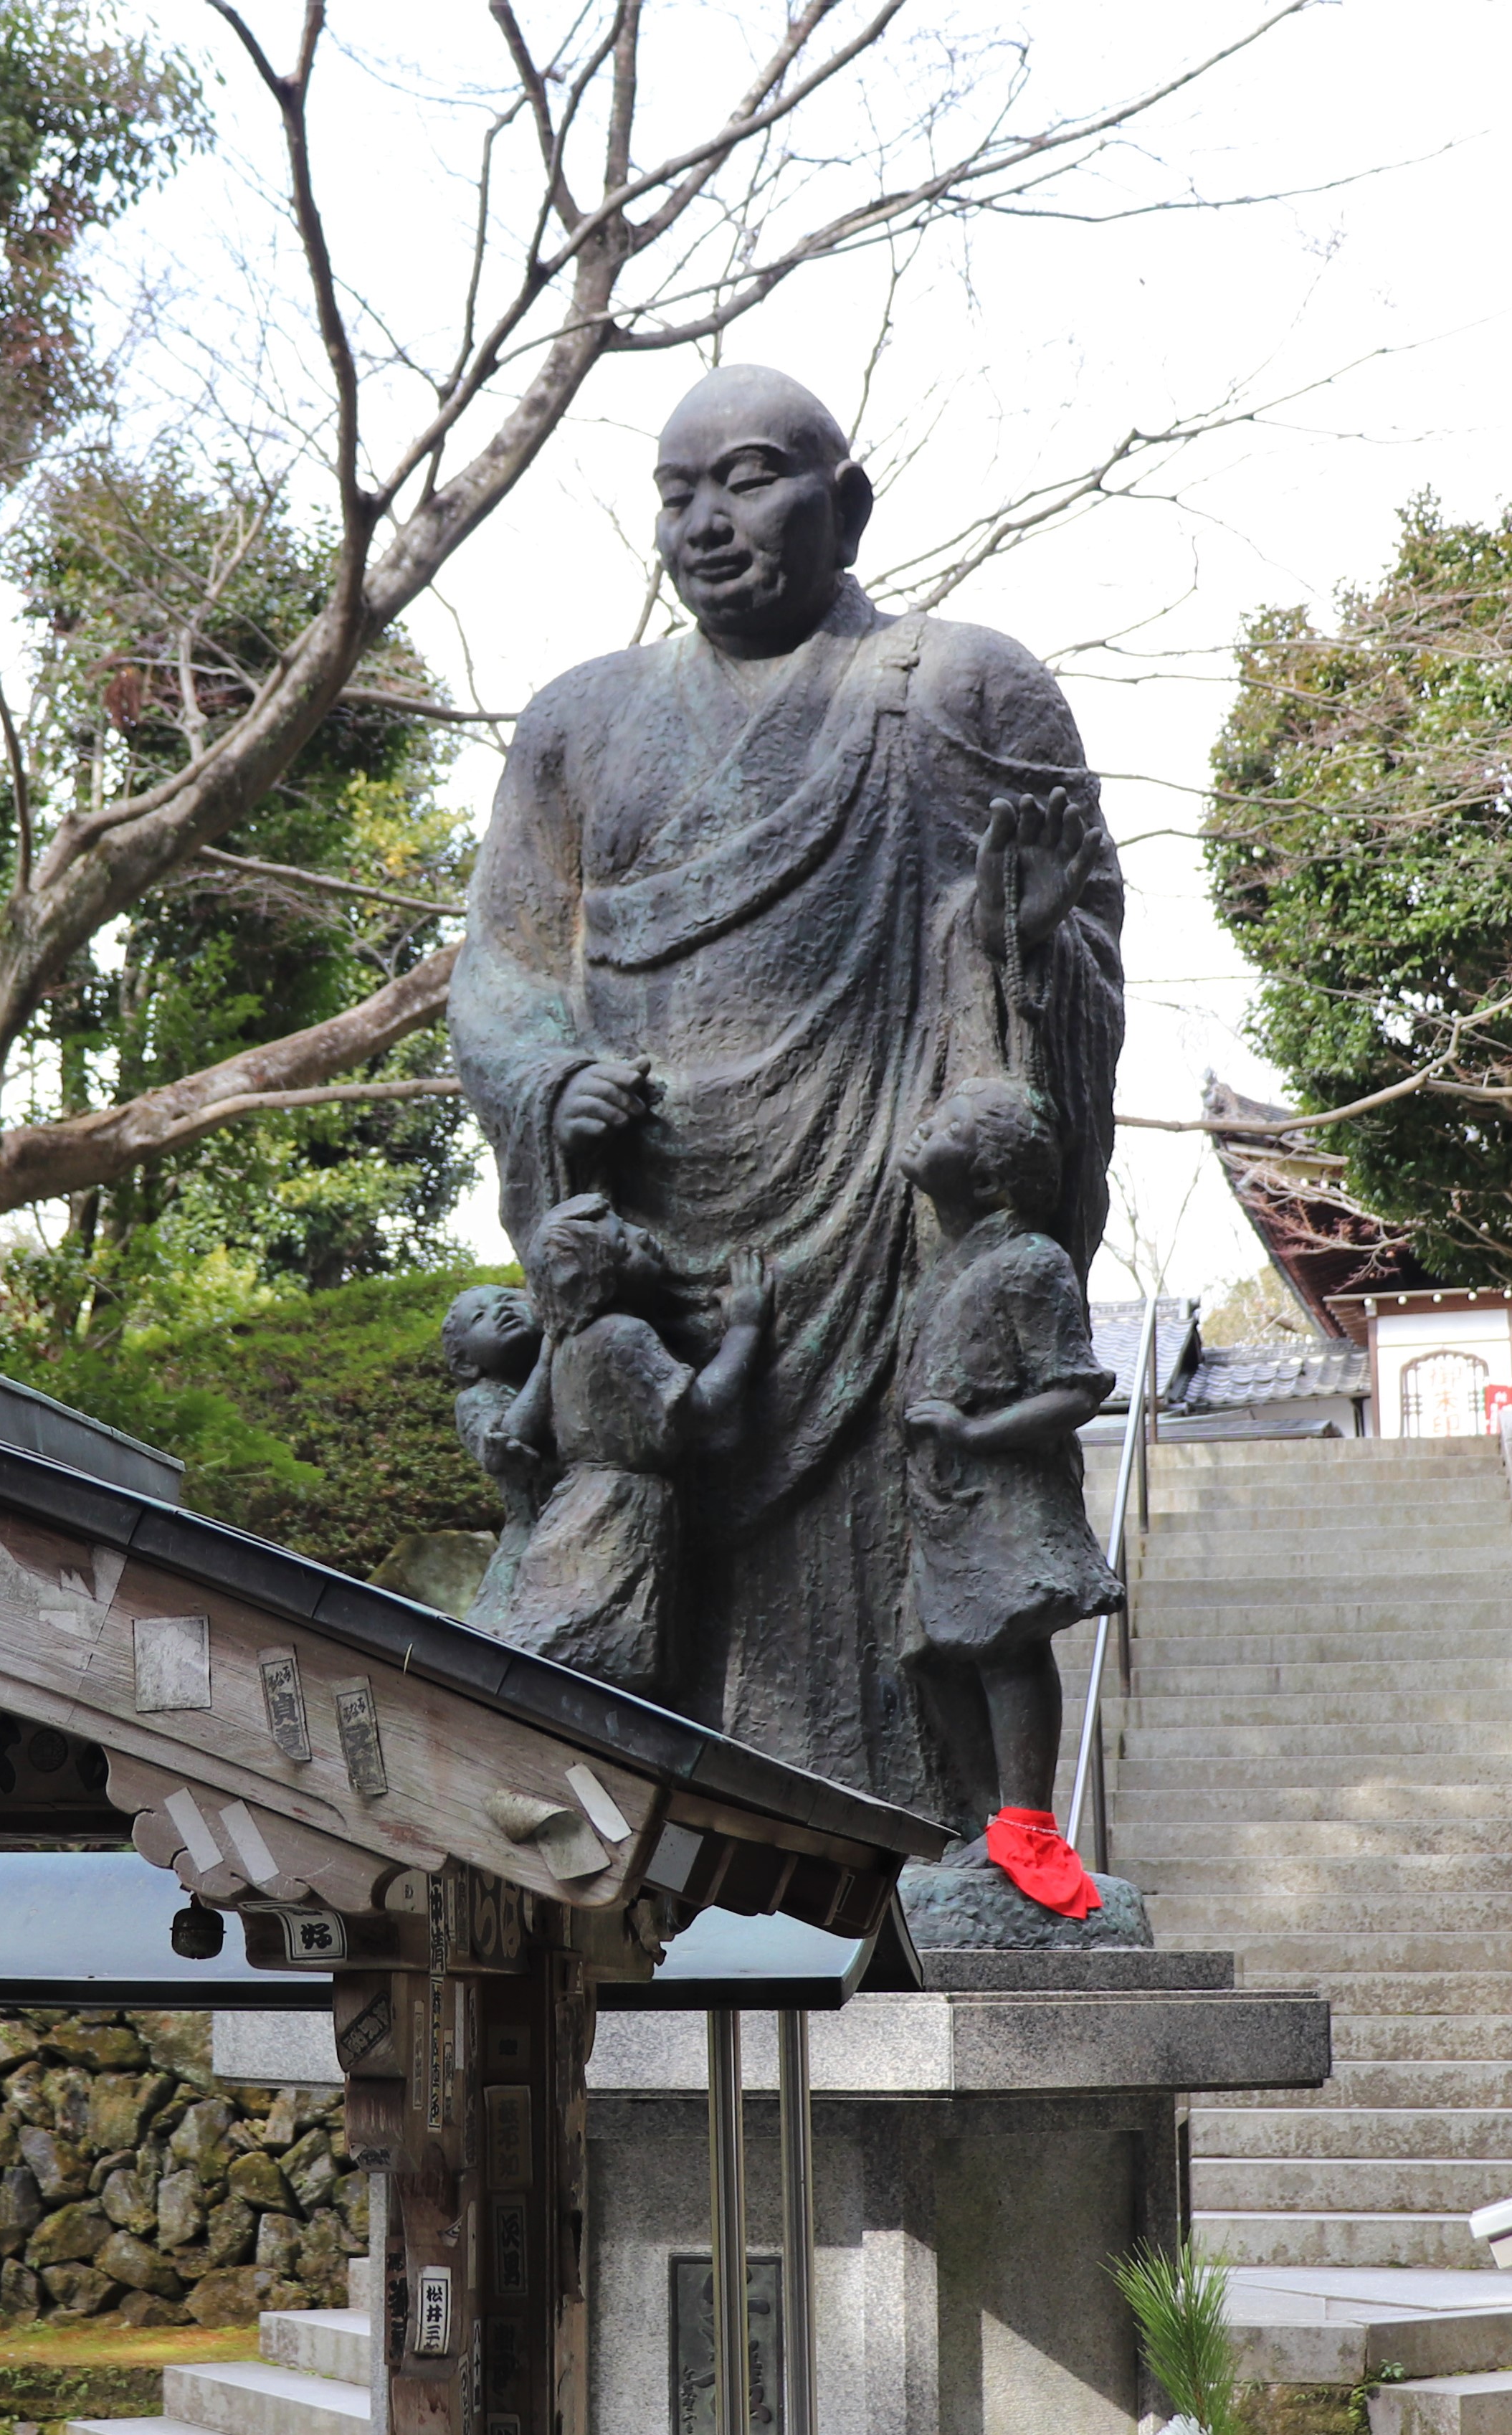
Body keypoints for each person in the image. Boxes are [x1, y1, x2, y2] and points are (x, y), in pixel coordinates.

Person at [448, 364, 1123, 1826]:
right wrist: (555, 1078)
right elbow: (500, 978)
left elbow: (1073, 957)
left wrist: (1016, 951)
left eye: (747, 478)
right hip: (652, 1253)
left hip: (887, 1237)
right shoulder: (579, 722)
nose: (705, 520)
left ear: (848, 502)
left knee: (901, 1586)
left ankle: (957, 1844)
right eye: (676, 492)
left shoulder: (959, 686)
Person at [891, 1077, 1128, 1930]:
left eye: (948, 1123)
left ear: (990, 1174)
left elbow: (1075, 1390)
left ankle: (1026, 1821)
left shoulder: (1031, 1261)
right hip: (943, 1500)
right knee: (934, 1653)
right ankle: (986, 1818)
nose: (925, 1126)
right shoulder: (947, 1265)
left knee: (1004, 1645)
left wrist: (976, 1430)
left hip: (1005, 1489)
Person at [477, 1200, 772, 1692]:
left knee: (573, 1646)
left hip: (574, 1510)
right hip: (614, 1519)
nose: (643, 1235)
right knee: (597, 1652)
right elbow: (701, 1408)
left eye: (631, 1223)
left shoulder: (571, 1344)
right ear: (602, 1271)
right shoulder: (622, 1335)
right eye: (624, 1240)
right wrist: (745, 1327)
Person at [439, 1282, 550, 1623]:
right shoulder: (476, 1400)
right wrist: (547, 1360)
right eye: (480, 1316)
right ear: (466, 1363)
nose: (501, 1310)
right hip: (533, 1532)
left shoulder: (570, 1360)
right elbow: (511, 1439)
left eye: (507, 1301)